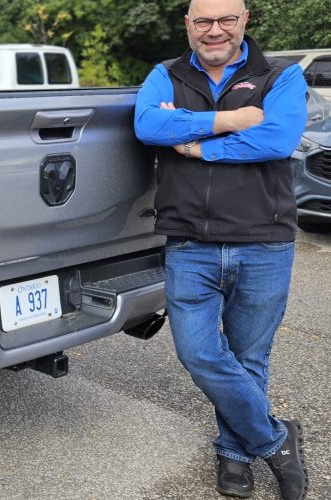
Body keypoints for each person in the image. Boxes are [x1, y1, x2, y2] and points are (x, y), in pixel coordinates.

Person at [133, 0, 308, 498]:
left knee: (250, 355)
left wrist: (194, 141)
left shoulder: (281, 75)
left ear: (244, 20)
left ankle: (234, 454)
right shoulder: (164, 74)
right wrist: (229, 121)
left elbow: (277, 139)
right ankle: (276, 441)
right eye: (203, 21)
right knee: (200, 354)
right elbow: (148, 126)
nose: (215, 31)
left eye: (226, 19)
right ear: (188, 26)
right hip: (189, 240)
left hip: (264, 240)